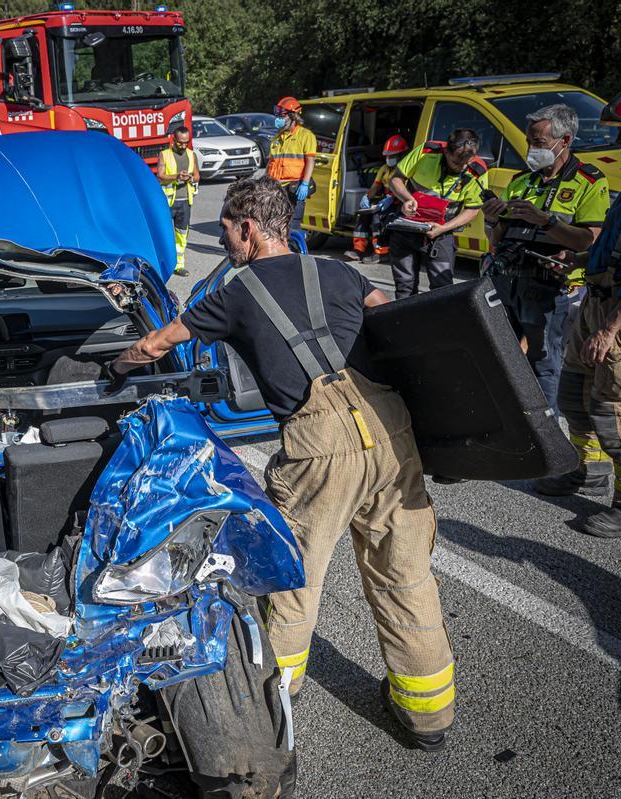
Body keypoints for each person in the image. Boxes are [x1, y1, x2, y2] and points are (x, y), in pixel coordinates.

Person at [105, 175, 456, 751]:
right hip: (391, 430)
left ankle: (276, 707)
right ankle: (428, 717)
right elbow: (396, 321)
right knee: (405, 572)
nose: (223, 244)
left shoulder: (233, 293)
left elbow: (155, 346)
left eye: (225, 232)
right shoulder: (340, 271)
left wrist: (113, 370)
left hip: (318, 446)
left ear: (247, 229)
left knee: (293, 578)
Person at [534, 86, 621, 538]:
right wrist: (581, 263)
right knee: (573, 394)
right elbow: (613, 244)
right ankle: (587, 470)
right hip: (596, 300)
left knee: (612, 411)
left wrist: (611, 329)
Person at [482, 105, 609, 412]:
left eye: (538, 142)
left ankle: (546, 435)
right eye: (529, 141)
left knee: (542, 364)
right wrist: (493, 222)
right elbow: (497, 243)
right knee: (497, 356)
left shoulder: (590, 182)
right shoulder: (522, 181)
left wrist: (547, 221)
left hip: (549, 287)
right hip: (507, 282)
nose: (531, 149)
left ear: (564, 140)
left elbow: (590, 239)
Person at [387, 129, 487, 298]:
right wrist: (407, 199)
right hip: (407, 227)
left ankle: (439, 323)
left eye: (466, 162)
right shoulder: (426, 151)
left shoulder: (477, 170)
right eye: (456, 162)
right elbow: (395, 179)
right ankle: (405, 322)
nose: (462, 167)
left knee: (443, 289)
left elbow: (473, 209)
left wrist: (443, 228)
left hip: (441, 232)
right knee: (405, 286)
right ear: (446, 152)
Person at [346, 134, 409, 264]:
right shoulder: (384, 169)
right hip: (384, 200)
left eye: (392, 156)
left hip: (399, 203)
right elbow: (375, 186)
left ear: (402, 155)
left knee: (377, 219)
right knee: (363, 216)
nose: (389, 159)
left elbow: (406, 190)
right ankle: (358, 250)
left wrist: (391, 198)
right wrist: (366, 198)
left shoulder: (405, 170)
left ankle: (381, 253)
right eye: (387, 156)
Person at [266, 96, 317, 235]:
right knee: (274, 227)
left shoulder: (306, 136)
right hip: (275, 189)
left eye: (281, 116)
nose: (278, 119)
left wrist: (305, 184)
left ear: (292, 116)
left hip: (293, 188)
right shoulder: (277, 138)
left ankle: (296, 254)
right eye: (277, 115)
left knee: (292, 228)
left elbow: (310, 162)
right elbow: (271, 163)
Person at [157, 125, 200, 277]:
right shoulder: (165, 155)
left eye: (186, 142)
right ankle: (163, 264)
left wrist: (190, 177)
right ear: (173, 140)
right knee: (165, 233)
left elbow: (197, 176)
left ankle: (179, 265)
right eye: (180, 142)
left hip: (185, 201)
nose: (183, 145)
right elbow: (160, 176)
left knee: (181, 234)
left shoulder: (191, 155)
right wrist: (176, 177)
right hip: (168, 203)